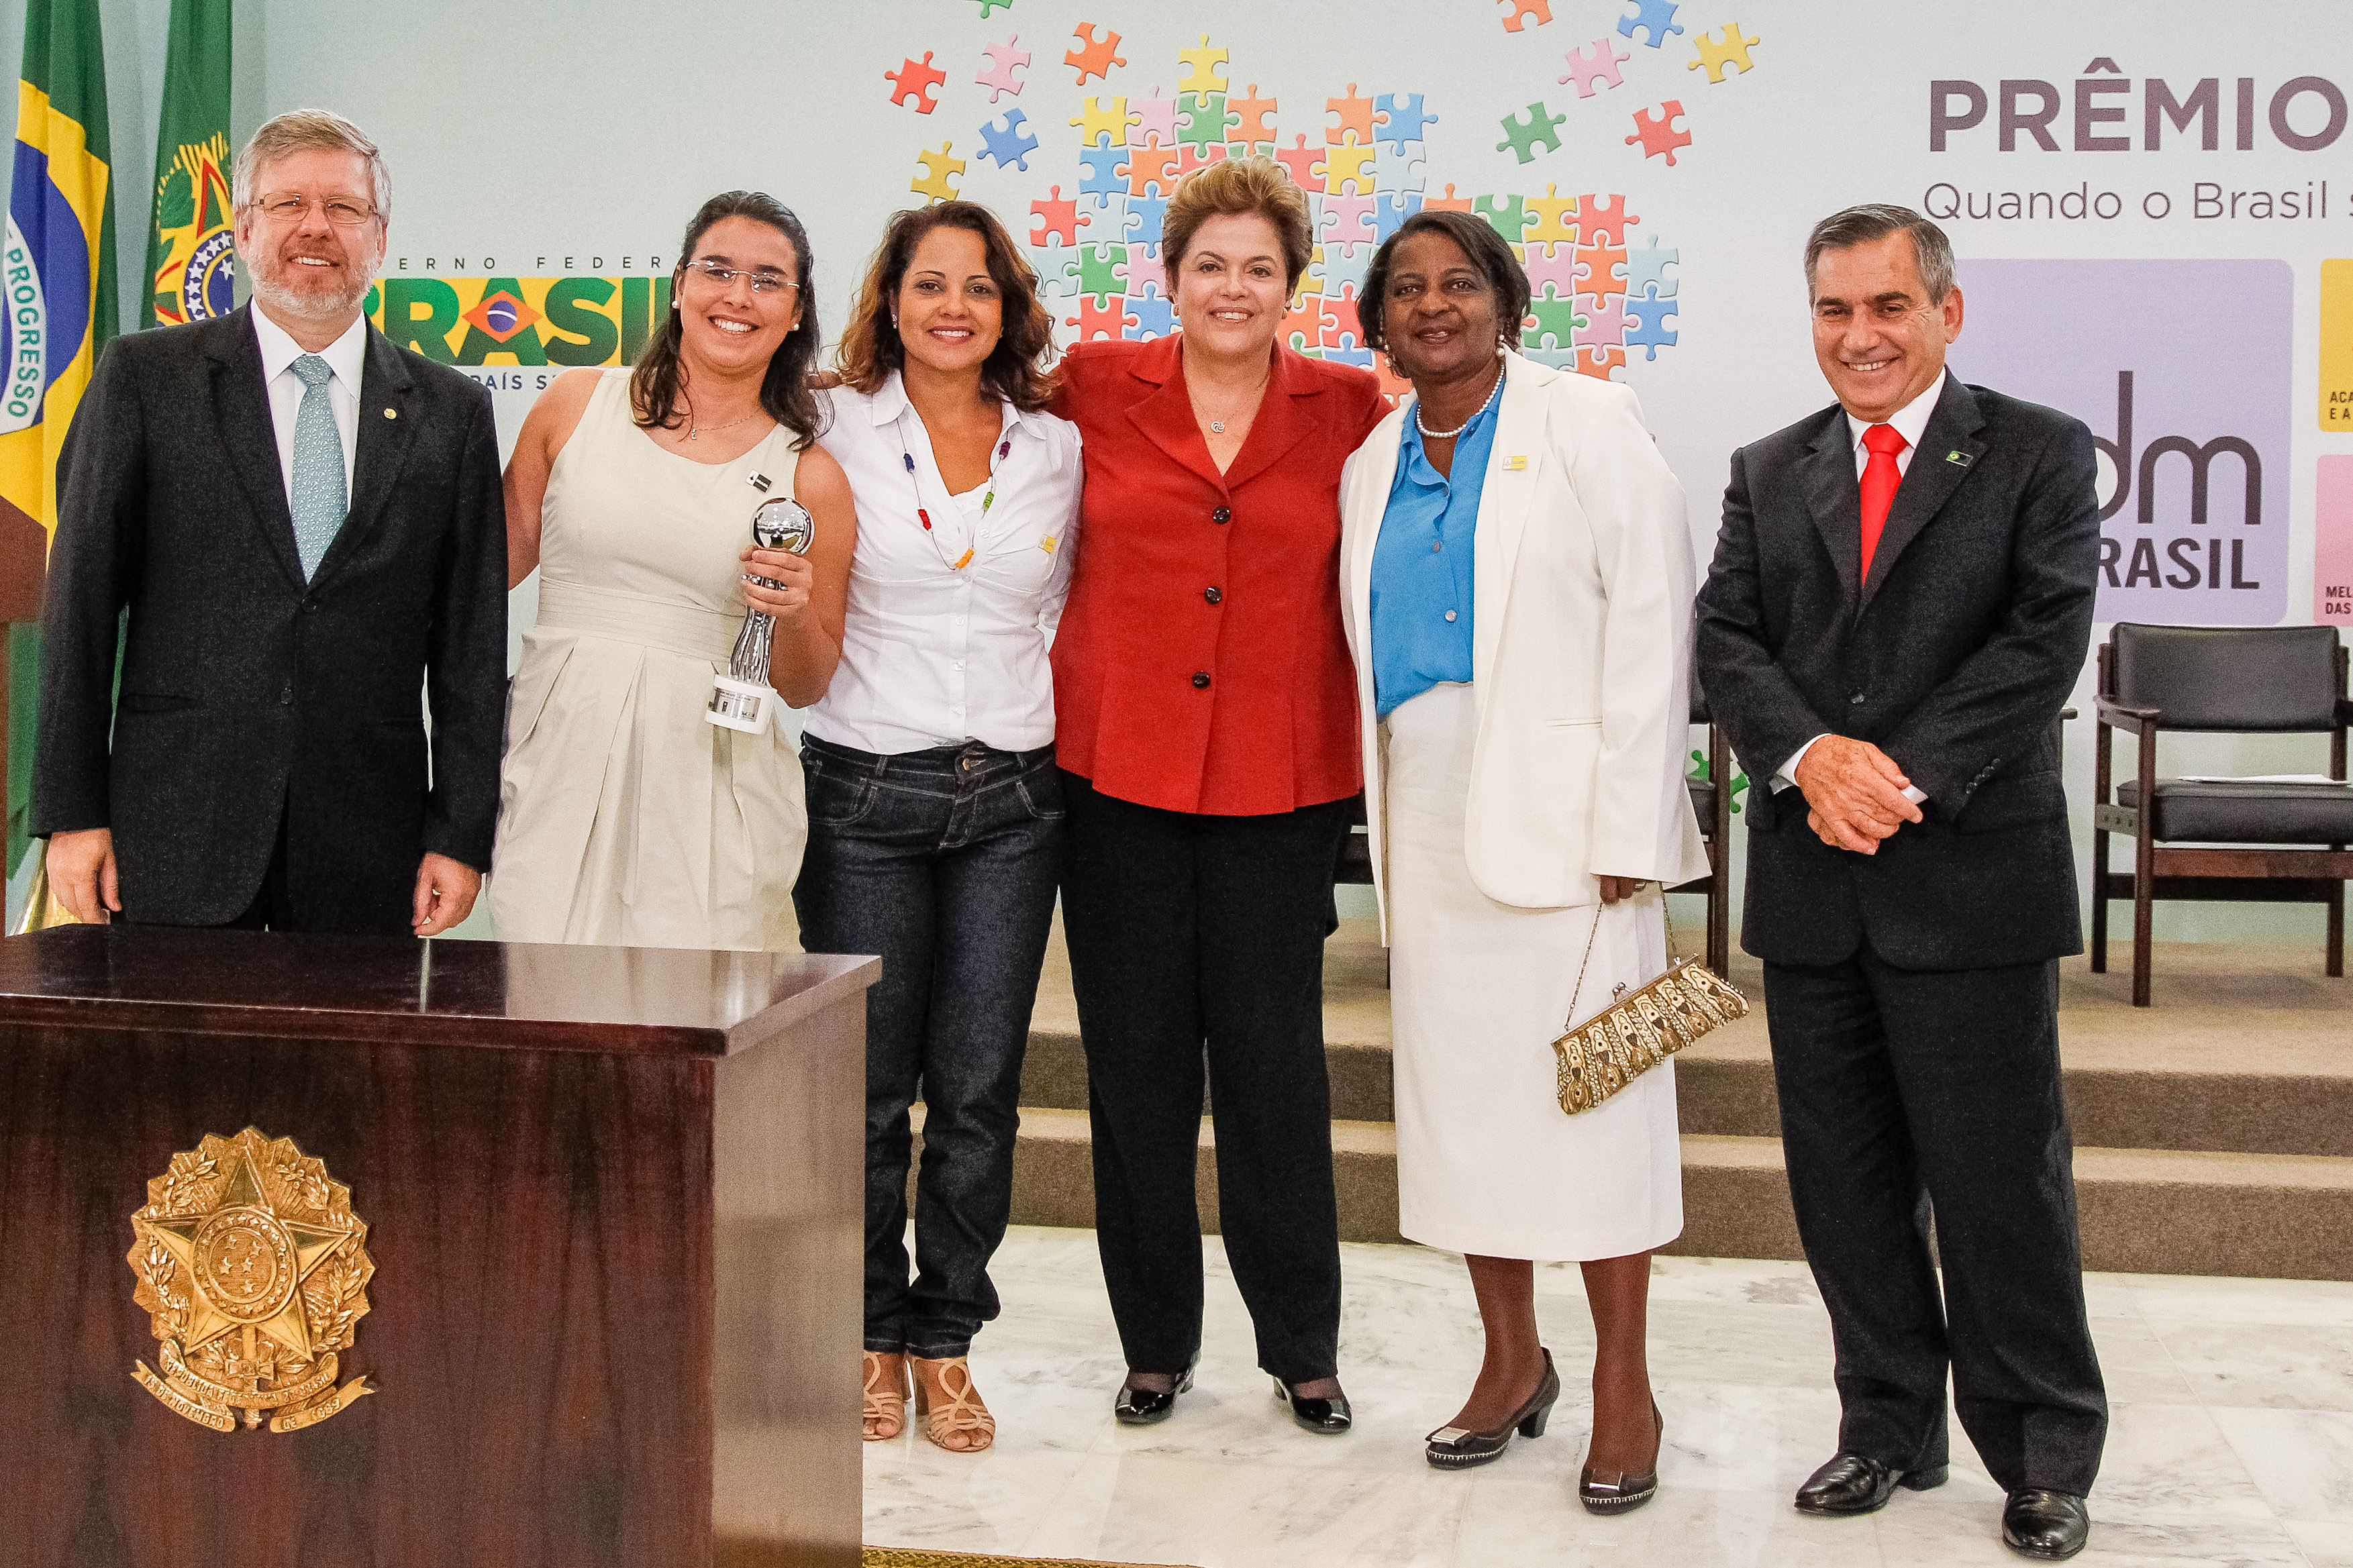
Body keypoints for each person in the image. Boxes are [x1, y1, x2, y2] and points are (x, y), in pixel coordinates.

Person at [1693, 204, 2105, 1562]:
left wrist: (1895, 774)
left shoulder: (2036, 449)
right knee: (1845, 1183)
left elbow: (2040, 639)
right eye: (1832, 310)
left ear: (1945, 311)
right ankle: (1883, 1423)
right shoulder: (1768, 467)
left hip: (1968, 878)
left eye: (1884, 307)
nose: (1858, 336)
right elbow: (1728, 635)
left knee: (1999, 1183)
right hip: (1817, 886)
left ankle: (2040, 1450)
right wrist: (1811, 757)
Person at [1340, 211, 1705, 1512]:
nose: (1432, 305)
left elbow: (1656, 632)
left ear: (1506, 300)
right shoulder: (1371, 456)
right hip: (1429, 814)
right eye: (1405, 289)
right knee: (1467, 1108)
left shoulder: (1592, 424)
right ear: (1376, 320)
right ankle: (1510, 1361)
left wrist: (1631, 832)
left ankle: (1624, 1383)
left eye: (1458, 283)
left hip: (1573, 832)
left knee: (1598, 1105)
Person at [1049, 156, 1388, 1433]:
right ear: (1170, 277)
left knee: (1273, 1071)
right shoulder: (1086, 385)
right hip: (1116, 778)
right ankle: (1153, 1344)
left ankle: (1303, 1345)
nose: (1232, 288)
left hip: (1281, 784)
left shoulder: (1353, 408)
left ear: (1292, 287)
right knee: (1133, 1071)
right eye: (1210, 266)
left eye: (1259, 268)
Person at [33, 109, 504, 935]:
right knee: (175, 1066)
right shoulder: (146, 378)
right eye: (288, 205)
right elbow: (78, 605)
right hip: (173, 829)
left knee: (352, 1066)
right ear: (244, 229)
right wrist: (72, 813)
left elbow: (470, 643)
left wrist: (460, 835)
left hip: (371, 841)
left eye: (343, 208)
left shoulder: (452, 412)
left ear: (380, 235)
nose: (314, 227)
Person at [797, 201, 1081, 1453]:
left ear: (1009, 308)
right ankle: (864, 1329)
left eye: (978, 287)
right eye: (928, 285)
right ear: (890, 301)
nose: (953, 307)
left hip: (1014, 803)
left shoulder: (1055, 448)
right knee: (866, 1098)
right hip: (863, 797)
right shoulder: (831, 421)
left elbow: (1055, 608)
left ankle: (947, 1338)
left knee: (979, 1092)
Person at [493, 192, 853, 950]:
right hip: (558, 751)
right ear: (679, 287)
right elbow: (482, 573)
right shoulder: (575, 405)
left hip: (711, 777)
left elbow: (805, 683)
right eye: (716, 270)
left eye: (767, 280)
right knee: (540, 1003)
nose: (737, 296)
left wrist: (790, 614)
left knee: (688, 1024)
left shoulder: (810, 476)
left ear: (795, 313)